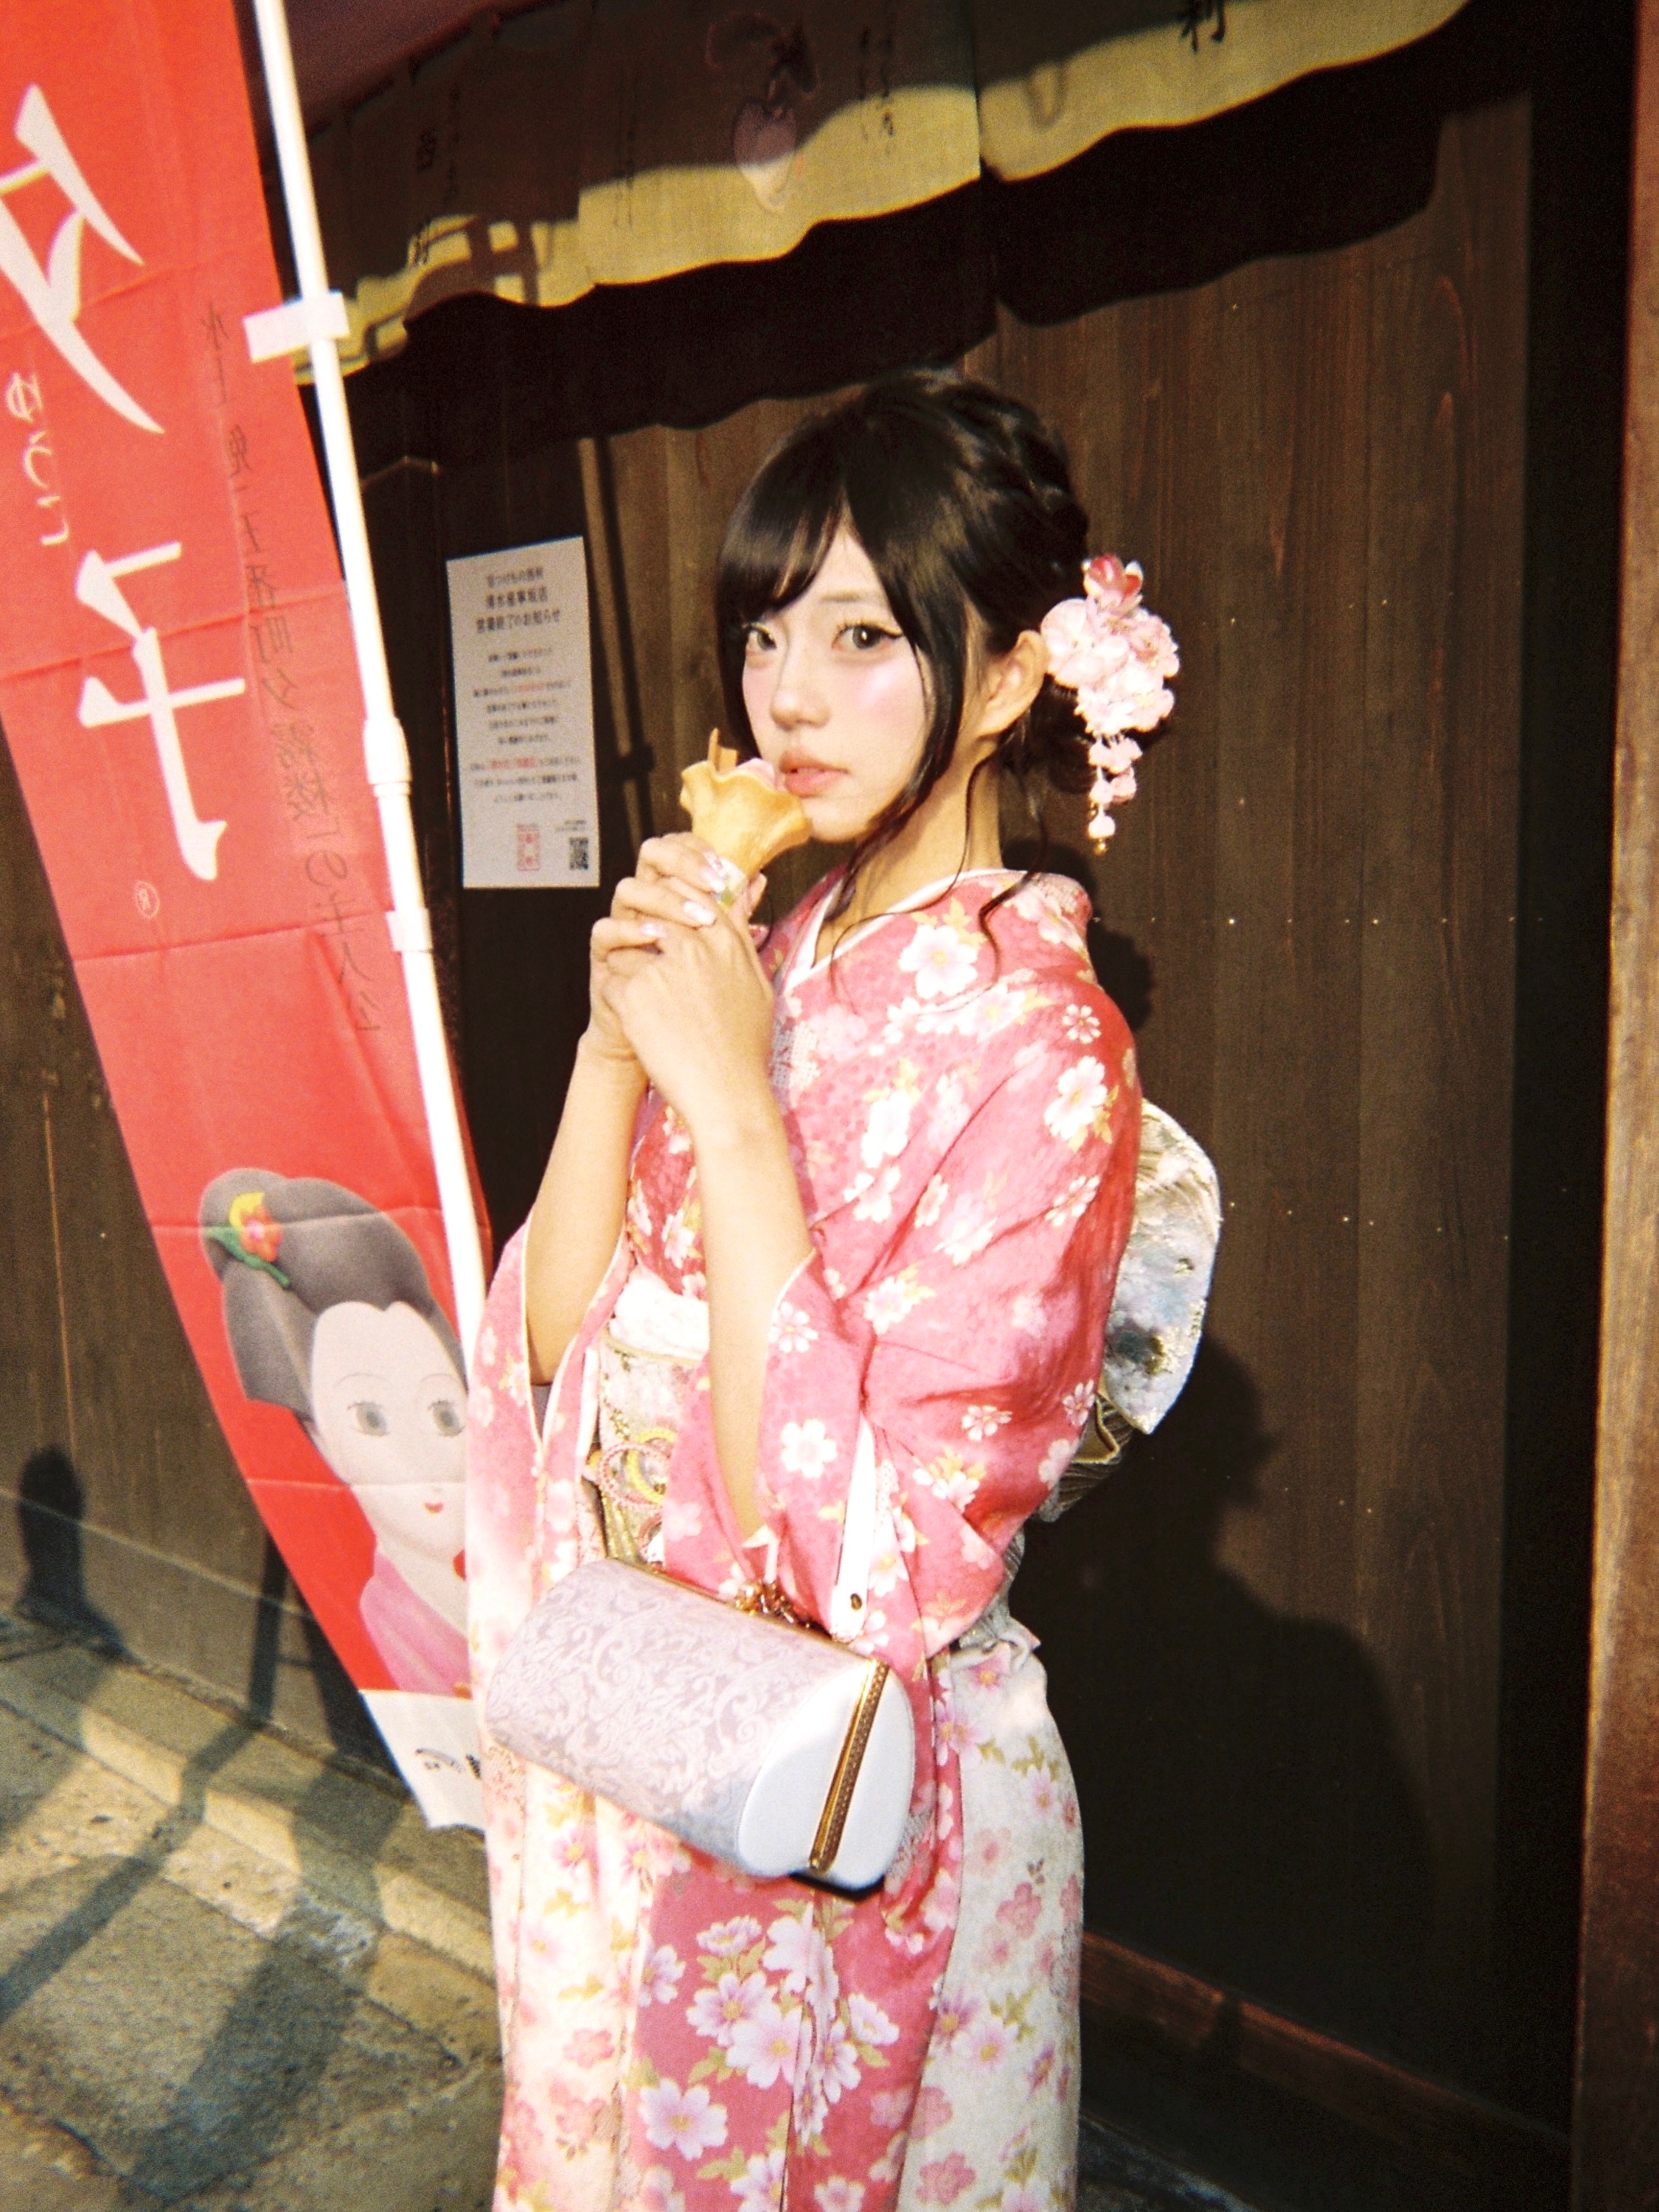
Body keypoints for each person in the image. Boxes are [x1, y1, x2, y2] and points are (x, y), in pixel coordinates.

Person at [467, 370, 1149, 2212]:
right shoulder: (768, 949)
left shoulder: (1044, 1048)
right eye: (766, 631)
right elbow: (553, 1357)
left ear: (1003, 678)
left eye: (861, 635)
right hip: (649, 1729)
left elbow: (885, 1562)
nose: (784, 693)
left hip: (842, 1796)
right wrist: (618, 1040)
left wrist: (733, 1113)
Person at [201, 1168, 470, 1697]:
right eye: (372, 1419)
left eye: (446, 1417)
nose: (423, 1457)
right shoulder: (393, 1617)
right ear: (321, 1437)